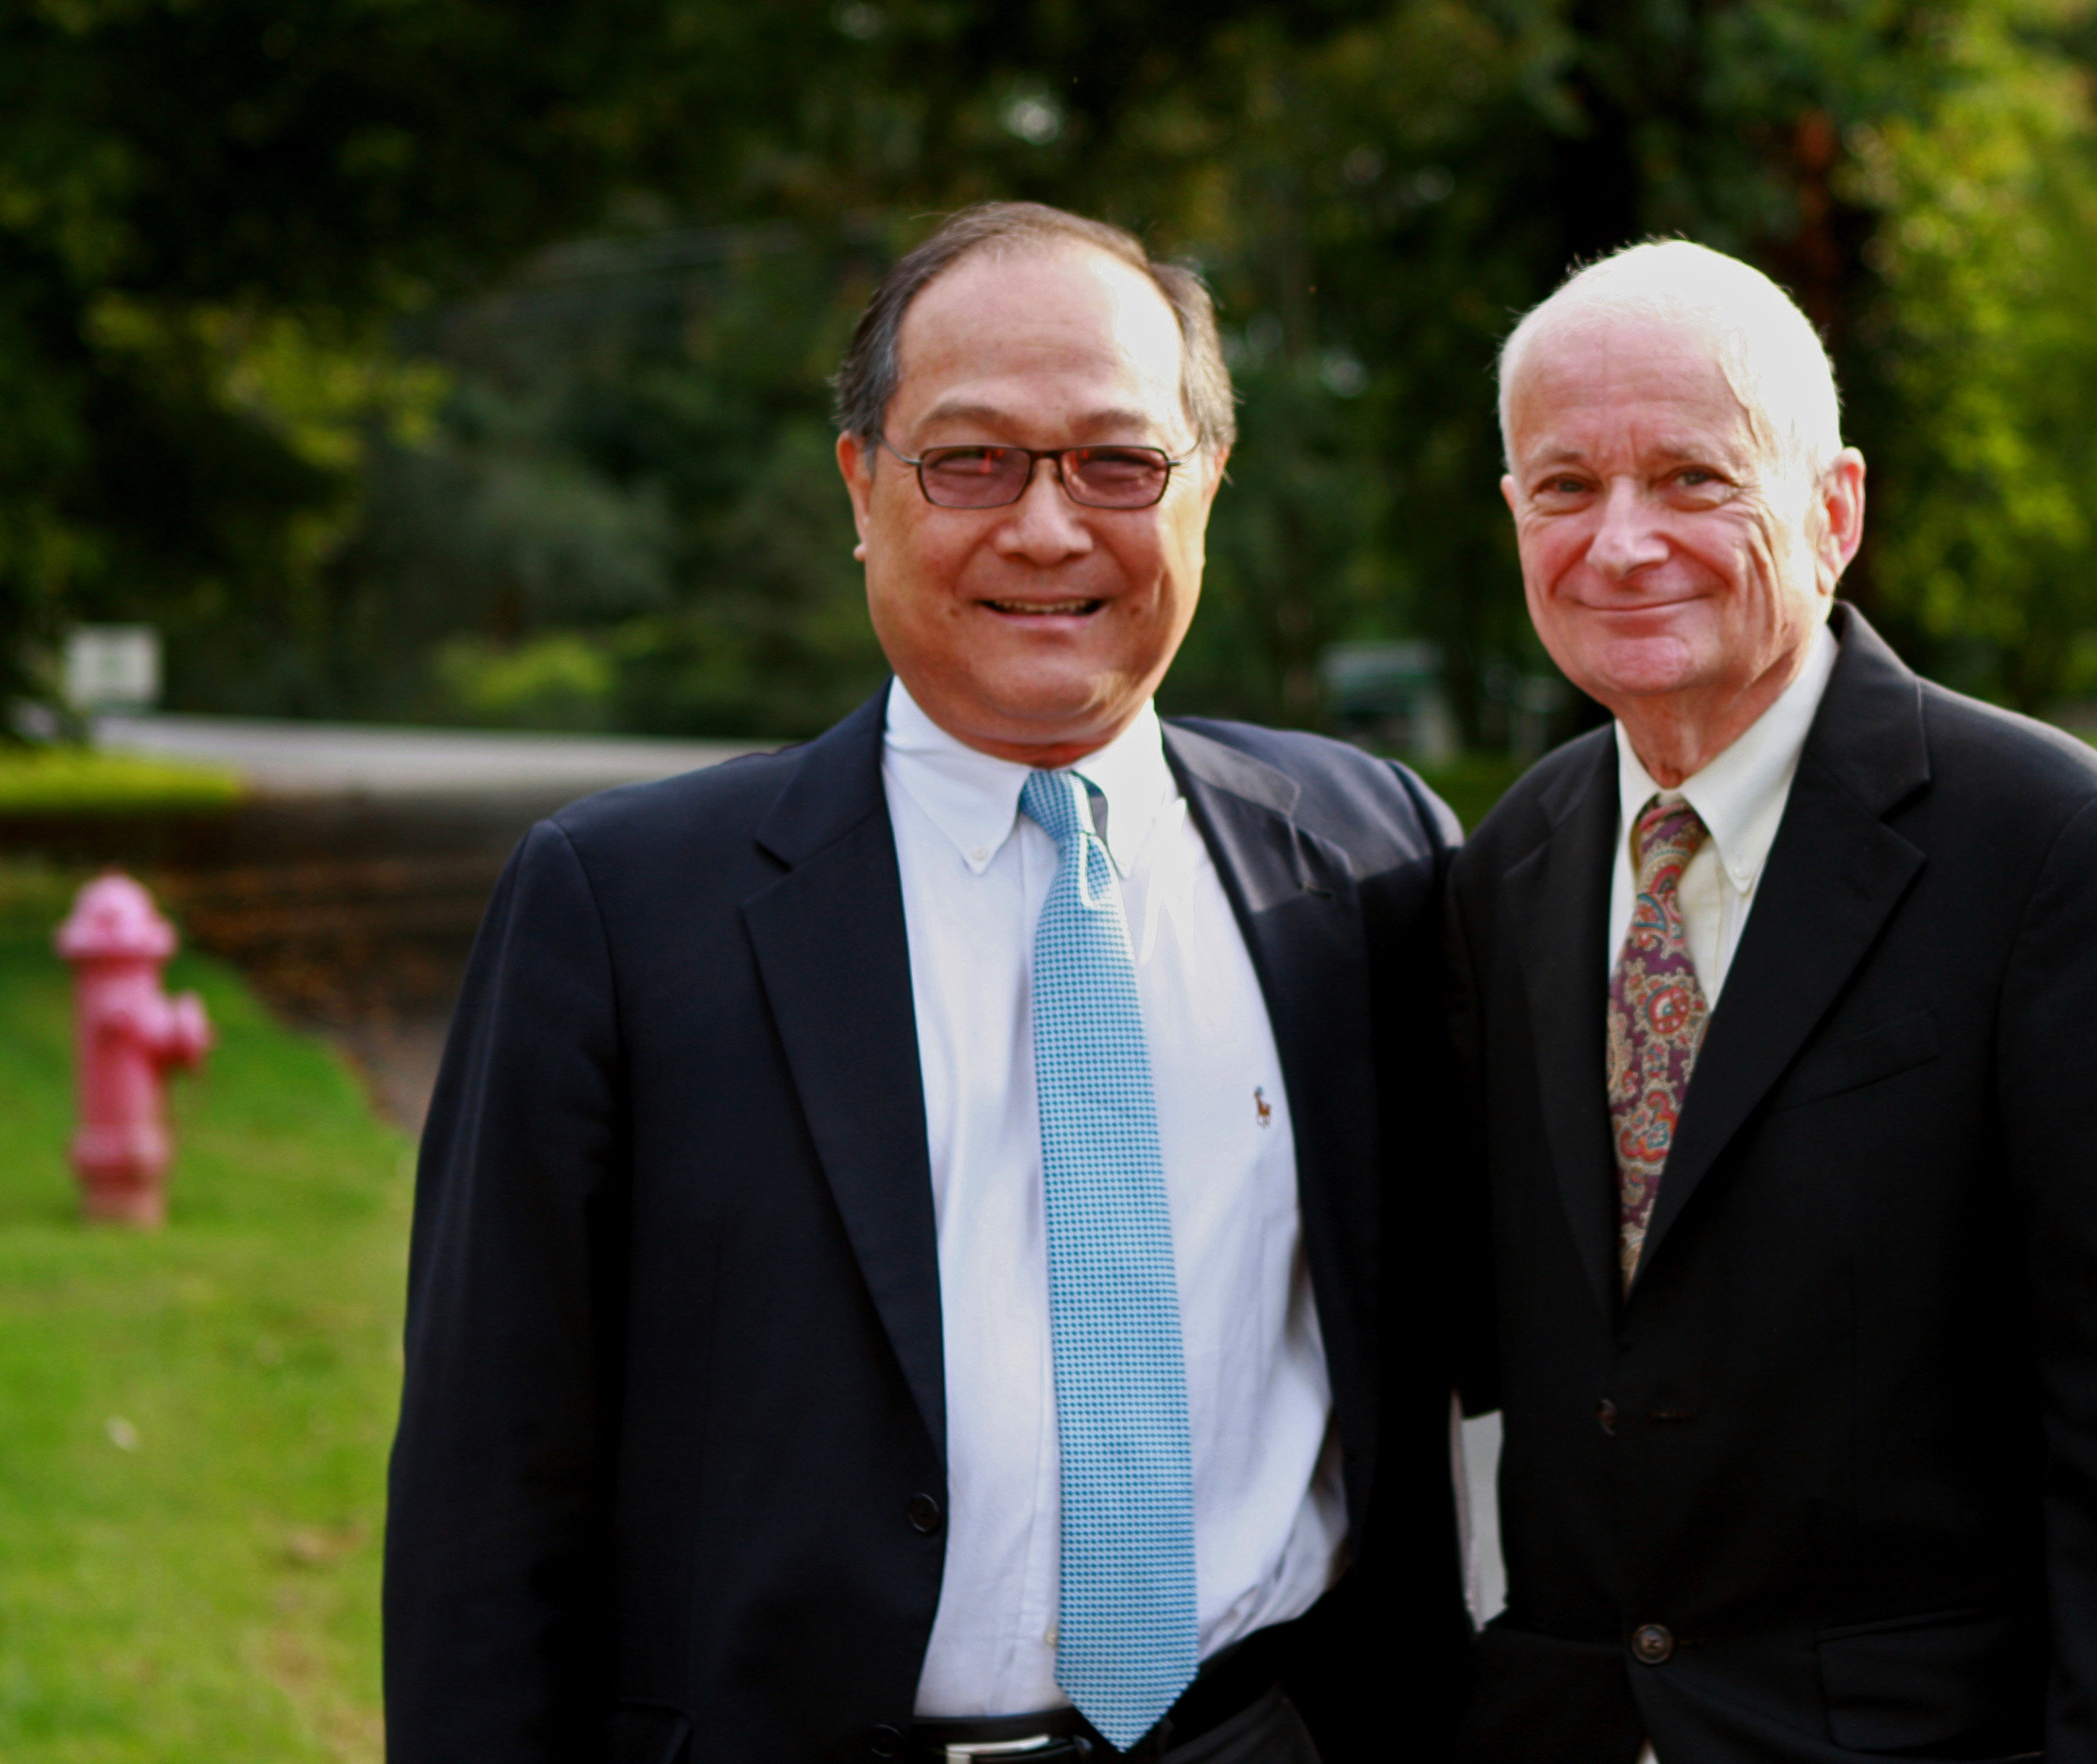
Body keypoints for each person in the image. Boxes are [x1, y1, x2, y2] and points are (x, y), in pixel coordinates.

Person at [384, 202, 1468, 1764]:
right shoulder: (621, 911)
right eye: (970, 461)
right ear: (860, 487)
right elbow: (489, 1499)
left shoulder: (1370, 860)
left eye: (1118, 462)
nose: (1046, 528)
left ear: (1207, 487)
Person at [1444, 240, 2097, 1763]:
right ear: (1515, 516)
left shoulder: (2058, 853)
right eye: (1566, 487)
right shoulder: (1516, 863)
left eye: (1694, 479)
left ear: (1833, 510)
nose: (1622, 544)